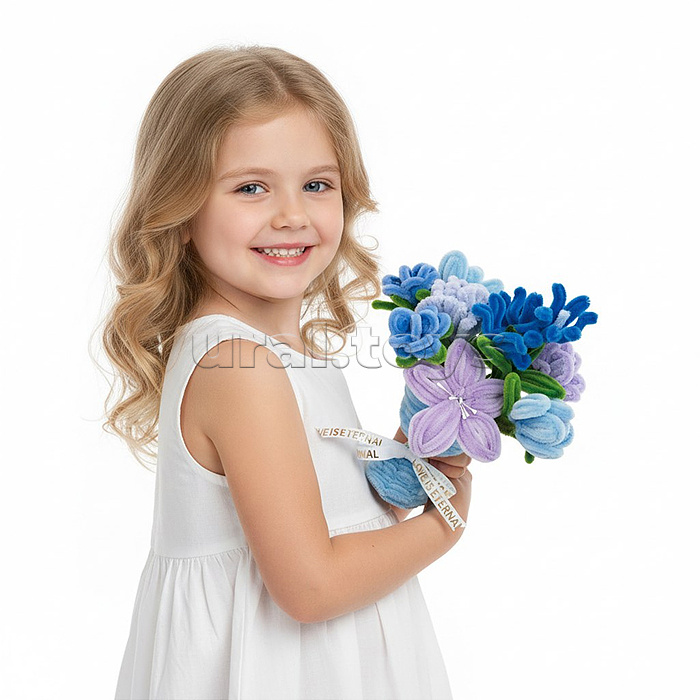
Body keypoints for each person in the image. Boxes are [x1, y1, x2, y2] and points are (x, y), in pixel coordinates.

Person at [101, 44, 473, 700]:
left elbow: (325, 515)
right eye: (251, 187)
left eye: (317, 184)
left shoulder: (270, 357)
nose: (291, 215)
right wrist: (446, 521)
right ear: (180, 211)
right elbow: (310, 585)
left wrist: (406, 463)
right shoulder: (239, 366)